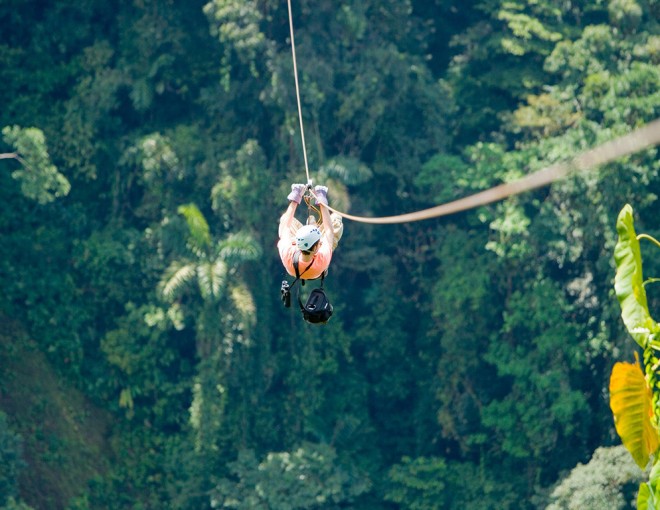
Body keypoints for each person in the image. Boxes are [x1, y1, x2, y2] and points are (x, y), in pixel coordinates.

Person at [278, 183, 343, 281]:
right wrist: (322, 200)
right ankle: (312, 225)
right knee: (336, 219)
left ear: (297, 243)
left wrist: (296, 196)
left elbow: (285, 226)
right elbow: (329, 230)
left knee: (285, 219)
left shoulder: (288, 253)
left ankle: (312, 225)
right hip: (316, 268)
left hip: (295, 265)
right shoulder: (322, 258)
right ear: (318, 246)